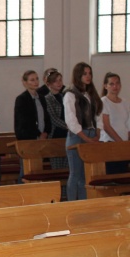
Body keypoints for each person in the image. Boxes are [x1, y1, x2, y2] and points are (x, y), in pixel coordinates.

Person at [64, 62, 103, 201]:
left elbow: (98, 116)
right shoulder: (70, 94)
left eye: (90, 73)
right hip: (77, 136)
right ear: (78, 75)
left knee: (85, 175)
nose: (88, 76)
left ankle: (83, 202)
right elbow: (71, 120)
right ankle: (71, 203)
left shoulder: (91, 94)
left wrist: (97, 134)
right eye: (85, 74)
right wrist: (86, 138)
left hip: (91, 134)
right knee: (75, 173)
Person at [100, 72, 130, 174]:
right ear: (106, 86)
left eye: (117, 83)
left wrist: (126, 142)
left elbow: (128, 124)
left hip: (124, 144)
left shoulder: (125, 102)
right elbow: (106, 125)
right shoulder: (103, 102)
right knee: (112, 173)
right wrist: (119, 142)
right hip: (110, 143)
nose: (115, 86)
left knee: (123, 173)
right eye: (111, 84)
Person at [14, 70, 51, 141]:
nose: (36, 82)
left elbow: (46, 117)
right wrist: (38, 134)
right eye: (32, 80)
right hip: (28, 137)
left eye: (37, 79)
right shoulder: (21, 99)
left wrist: (46, 132)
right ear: (25, 83)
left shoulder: (42, 98)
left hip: (43, 137)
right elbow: (25, 121)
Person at [44, 70, 69, 171]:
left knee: (67, 168)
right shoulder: (47, 99)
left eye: (60, 80)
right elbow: (53, 119)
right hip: (55, 136)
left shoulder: (64, 97)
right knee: (57, 168)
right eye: (55, 81)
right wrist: (69, 126)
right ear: (49, 84)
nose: (59, 83)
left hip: (67, 136)